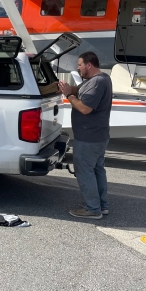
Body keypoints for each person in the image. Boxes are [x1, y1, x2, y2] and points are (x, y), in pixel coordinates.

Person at [58, 52, 113, 220]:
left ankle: (92, 209)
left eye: (80, 64)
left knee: (84, 171)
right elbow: (81, 89)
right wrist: (66, 88)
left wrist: (68, 95)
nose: (78, 67)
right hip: (98, 136)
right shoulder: (100, 79)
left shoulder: (97, 82)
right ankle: (102, 206)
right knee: (97, 170)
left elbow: (84, 108)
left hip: (89, 137)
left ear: (89, 65)